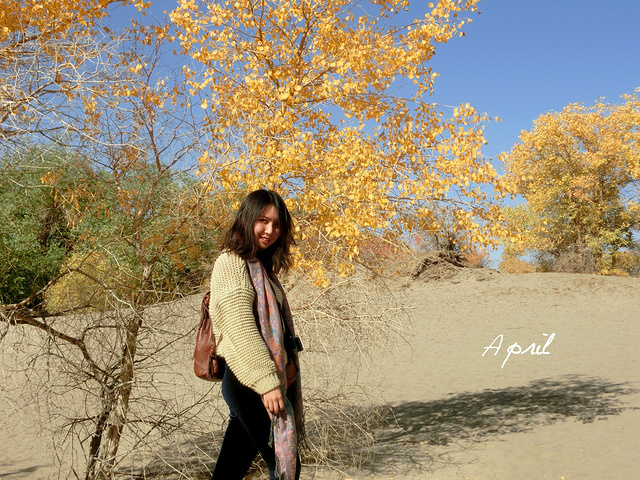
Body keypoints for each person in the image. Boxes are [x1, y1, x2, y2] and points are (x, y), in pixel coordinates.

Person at [208, 189, 303, 480]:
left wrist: (289, 363)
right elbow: (240, 327)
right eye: (263, 221)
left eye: (277, 225)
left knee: (231, 470)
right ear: (247, 219)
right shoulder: (231, 263)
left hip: (261, 380)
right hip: (248, 381)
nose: (270, 230)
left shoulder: (260, 268)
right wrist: (267, 383)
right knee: (285, 464)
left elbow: (277, 330)